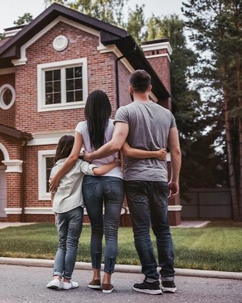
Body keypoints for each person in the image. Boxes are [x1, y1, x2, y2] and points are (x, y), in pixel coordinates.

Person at [49, 90, 166, 294]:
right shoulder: (116, 125)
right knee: (111, 233)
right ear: (107, 107)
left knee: (96, 229)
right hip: (114, 180)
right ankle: (106, 280)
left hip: (92, 182)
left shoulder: (81, 127)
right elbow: (124, 150)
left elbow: (73, 157)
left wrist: (57, 176)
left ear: (87, 107)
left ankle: (94, 277)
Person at [83, 70, 182, 295]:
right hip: (158, 178)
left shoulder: (125, 111)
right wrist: (174, 178)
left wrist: (91, 155)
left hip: (136, 179)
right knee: (163, 230)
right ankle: (168, 279)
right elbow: (175, 149)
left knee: (141, 231)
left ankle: (151, 280)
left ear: (130, 89)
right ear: (150, 88)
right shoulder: (167, 114)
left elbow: (117, 144)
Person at [46, 134, 120, 291]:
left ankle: (56, 277)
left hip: (59, 210)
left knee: (61, 244)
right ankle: (67, 280)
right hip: (74, 210)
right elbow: (98, 171)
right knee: (71, 244)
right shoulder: (79, 164)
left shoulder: (55, 168)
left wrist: (54, 212)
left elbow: (53, 192)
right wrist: (115, 163)